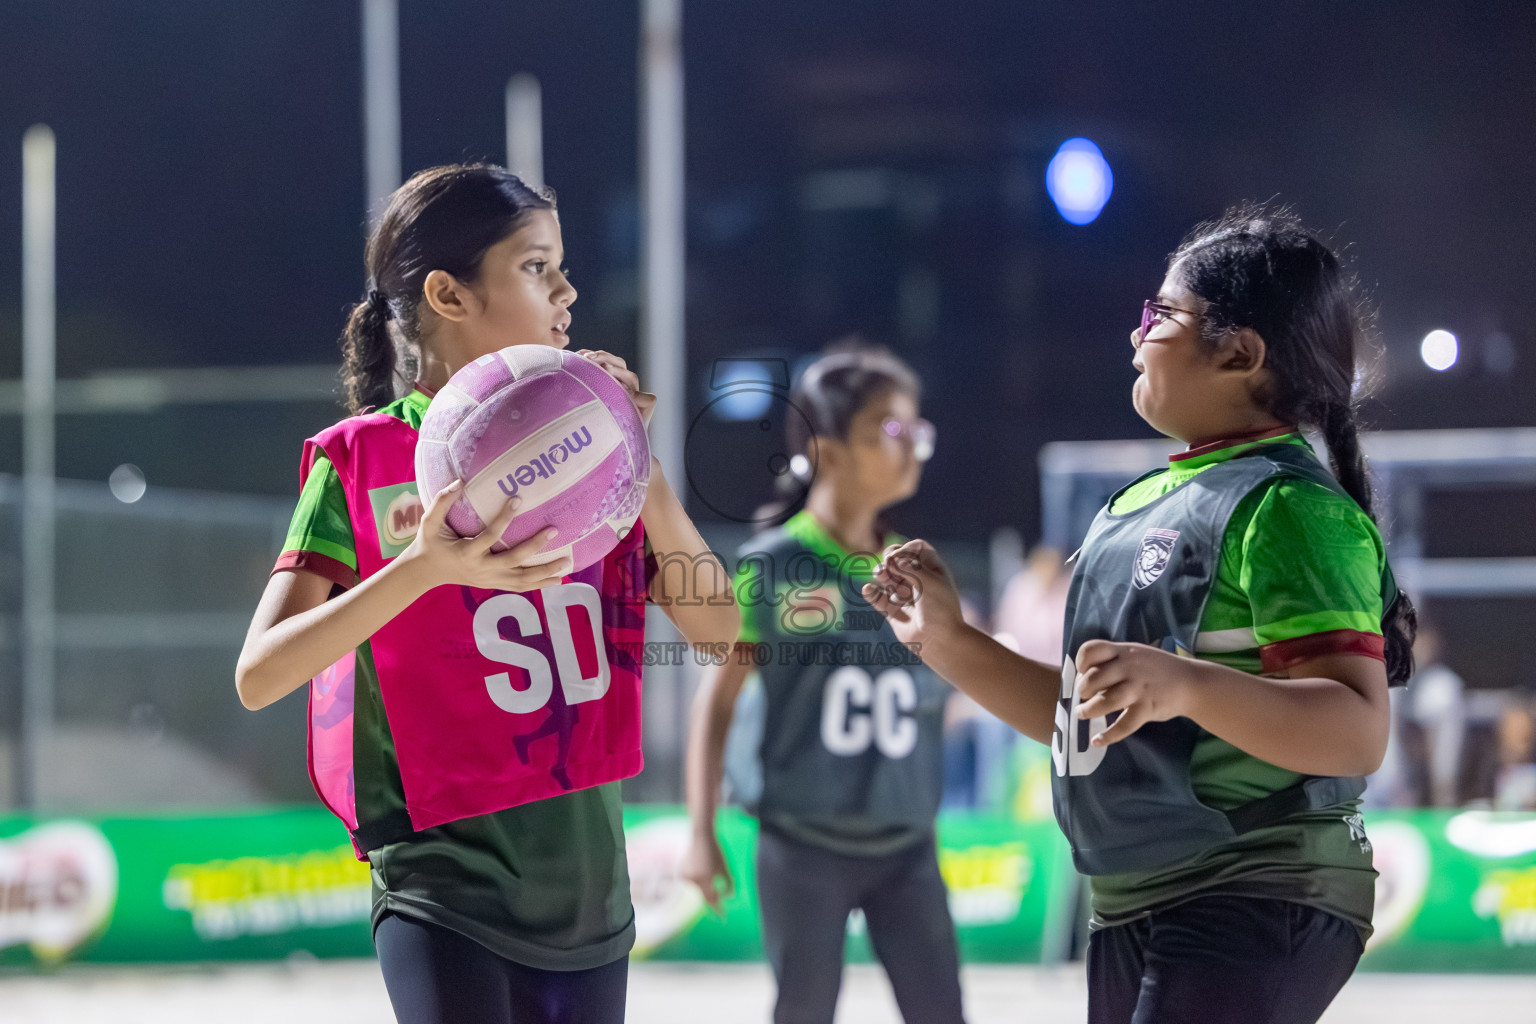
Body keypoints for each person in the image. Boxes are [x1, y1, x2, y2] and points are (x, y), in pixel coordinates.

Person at [864, 206, 1416, 1024]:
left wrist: (1185, 686)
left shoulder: (1289, 506)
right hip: (1133, 895)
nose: (1135, 335)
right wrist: (949, 643)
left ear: (1239, 351)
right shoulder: (1138, 503)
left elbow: (1356, 728)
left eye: (1160, 315)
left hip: (1254, 886)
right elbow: (1091, 715)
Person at [235, 163, 737, 1024]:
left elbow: (726, 635)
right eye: (537, 266)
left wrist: (643, 475)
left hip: (589, 892)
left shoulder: (595, 457)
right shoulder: (361, 460)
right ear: (448, 293)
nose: (568, 290)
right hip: (445, 888)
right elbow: (260, 674)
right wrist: (422, 568)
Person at [682, 345, 966, 1024]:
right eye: (890, 431)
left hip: (907, 843)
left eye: (915, 431)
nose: (912, 448)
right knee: (803, 1010)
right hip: (802, 843)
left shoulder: (917, 569)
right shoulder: (773, 565)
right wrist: (701, 831)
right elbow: (716, 703)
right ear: (829, 450)